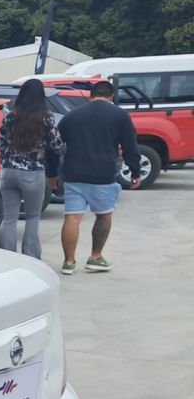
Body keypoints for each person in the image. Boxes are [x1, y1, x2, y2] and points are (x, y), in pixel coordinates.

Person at [56, 81, 142, 274]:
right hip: (103, 174)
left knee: (72, 217)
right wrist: (135, 172)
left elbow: (55, 145)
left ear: (90, 95)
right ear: (111, 96)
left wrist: (52, 172)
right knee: (104, 215)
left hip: (73, 174)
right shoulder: (120, 115)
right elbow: (130, 146)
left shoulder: (71, 116)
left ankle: (69, 262)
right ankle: (95, 257)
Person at [0, 79, 64, 258]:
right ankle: (31, 257)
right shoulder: (46, 116)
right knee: (32, 217)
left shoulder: (10, 115)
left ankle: (7, 257)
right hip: (33, 172)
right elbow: (56, 145)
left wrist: (5, 161)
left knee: (9, 219)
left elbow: (1, 144)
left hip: (8, 172)